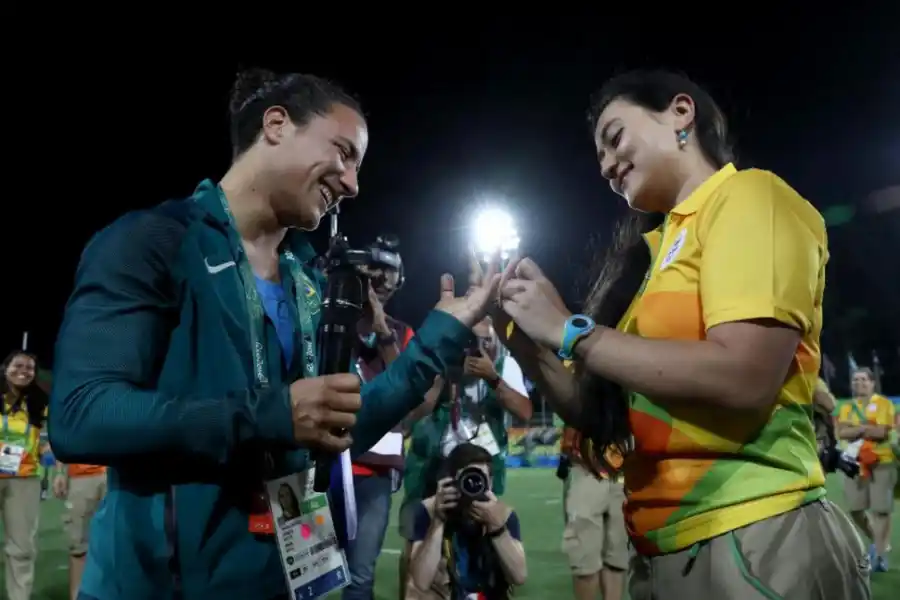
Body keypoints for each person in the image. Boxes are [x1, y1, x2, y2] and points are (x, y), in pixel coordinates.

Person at [49, 67, 501, 600]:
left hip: (278, 581)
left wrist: (439, 336)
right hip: (157, 586)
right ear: (277, 125)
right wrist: (270, 415)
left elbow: (334, 425)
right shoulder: (152, 242)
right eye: (343, 152)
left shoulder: (307, 280)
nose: (353, 183)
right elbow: (81, 416)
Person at [492, 69, 869, 599]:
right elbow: (599, 413)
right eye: (598, 155)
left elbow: (744, 376)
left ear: (680, 114)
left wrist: (572, 330)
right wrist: (524, 340)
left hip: (754, 533)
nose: (604, 165)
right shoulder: (653, 252)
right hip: (657, 547)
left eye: (615, 137)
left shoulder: (749, 197)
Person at [332, 253, 444, 600]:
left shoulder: (401, 332)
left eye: (389, 271)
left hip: (374, 470)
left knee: (361, 575)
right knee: (301, 572)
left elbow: (414, 396)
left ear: (400, 281)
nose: (380, 280)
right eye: (374, 270)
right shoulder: (329, 316)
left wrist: (382, 331)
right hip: (326, 462)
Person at [399, 317, 531, 598]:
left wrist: (492, 378)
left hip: (482, 472)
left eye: (485, 341)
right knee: (418, 549)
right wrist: (440, 377)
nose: (477, 348)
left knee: (485, 545)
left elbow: (525, 412)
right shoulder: (442, 365)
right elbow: (414, 415)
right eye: (471, 341)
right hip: (434, 472)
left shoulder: (506, 366)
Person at [408, 443, 526, 599]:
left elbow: (519, 577)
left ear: (490, 482)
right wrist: (438, 522)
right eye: (466, 478)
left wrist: (497, 529)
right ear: (450, 480)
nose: (472, 485)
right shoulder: (430, 510)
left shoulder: (502, 514)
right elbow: (421, 582)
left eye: (479, 478)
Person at [0, 350, 50, 600]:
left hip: (25, 480)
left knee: (21, 549)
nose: (24, 371)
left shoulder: (39, 403)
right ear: (5, 368)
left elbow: (47, 441)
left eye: (30, 367)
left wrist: (48, 449)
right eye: (17, 365)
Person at [837, 366, 896, 572]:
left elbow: (881, 432)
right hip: (855, 464)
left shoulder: (884, 404)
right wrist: (865, 428)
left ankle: (878, 555)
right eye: (855, 380)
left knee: (881, 510)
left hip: (882, 461)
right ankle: (878, 543)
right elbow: (842, 433)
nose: (859, 383)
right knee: (855, 509)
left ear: (872, 383)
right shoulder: (846, 407)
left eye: (863, 379)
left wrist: (856, 429)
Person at [53, 460, 108, 600]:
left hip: (117, 472)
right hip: (81, 474)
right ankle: (77, 596)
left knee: (119, 542)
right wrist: (60, 472)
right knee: (78, 544)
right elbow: (65, 438)